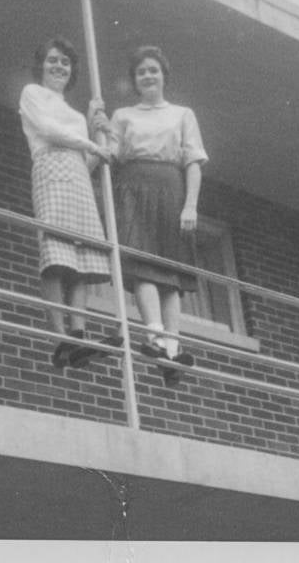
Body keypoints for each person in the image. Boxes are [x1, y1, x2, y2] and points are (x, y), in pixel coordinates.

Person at [94, 45, 207, 387]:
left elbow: (193, 162)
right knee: (143, 263)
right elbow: (109, 155)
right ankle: (154, 336)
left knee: (170, 274)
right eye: (141, 71)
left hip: (170, 189)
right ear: (135, 80)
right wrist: (98, 126)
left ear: (164, 75)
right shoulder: (124, 115)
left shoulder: (182, 114)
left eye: (153, 70)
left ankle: (172, 349)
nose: (147, 76)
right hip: (134, 186)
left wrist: (190, 204)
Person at [19, 36, 121, 368]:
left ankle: (78, 334)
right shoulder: (33, 94)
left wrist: (98, 135)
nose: (59, 66)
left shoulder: (76, 114)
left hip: (77, 178)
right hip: (51, 169)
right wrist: (91, 146)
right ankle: (60, 337)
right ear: (41, 65)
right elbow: (49, 131)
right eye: (52, 60)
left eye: (65, 62)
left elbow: (87, 161)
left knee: (81, 258)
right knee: (56, 254)